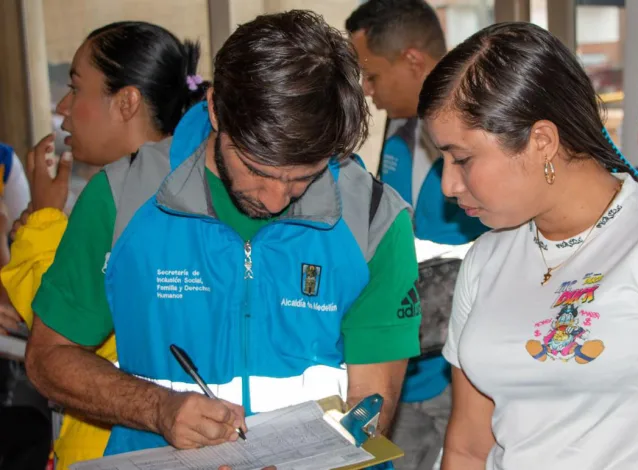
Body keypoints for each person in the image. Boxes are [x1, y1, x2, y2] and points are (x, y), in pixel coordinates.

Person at [24, 10, 419, 465]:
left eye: (302, 178)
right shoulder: (122, 198)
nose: (275, 199)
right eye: (256, 170)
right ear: (215, 109)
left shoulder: (374, 219)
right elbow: (48, 357)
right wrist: (158, 408)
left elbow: (371, 408)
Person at [419, 22, 638, 469]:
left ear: (541, 142)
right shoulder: (486, 258)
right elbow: (469, 448)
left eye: (462, 159)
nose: (449, 185)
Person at [0, 21, 209, 469]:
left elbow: (60, 332)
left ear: (127, 102)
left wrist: (41, 221)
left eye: (76, 88)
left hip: (113, 446)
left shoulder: (125, 197)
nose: (62, 108)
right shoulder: (186, 181)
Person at [346, 2, 487, 469]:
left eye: (372, 76)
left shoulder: (490, 143)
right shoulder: (397, 139)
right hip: (405, 373)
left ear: (412, 60)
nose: (368, 92)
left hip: (465, 375)